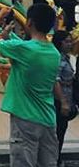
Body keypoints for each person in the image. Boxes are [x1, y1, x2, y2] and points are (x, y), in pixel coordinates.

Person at [0, 3, 66, 167]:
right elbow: (23, 49)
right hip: (48, 119)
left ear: (29, 23)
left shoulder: (24, 50)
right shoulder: (53, 53)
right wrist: (7, 35)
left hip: (25, 120)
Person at [52, 30, 76, 164]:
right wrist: (63, 102)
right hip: (59, 100)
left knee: (61, 130)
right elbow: (56, 79)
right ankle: (54, 159)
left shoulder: (66, 57)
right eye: (67, 41)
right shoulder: (58, 58)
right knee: (58, 131)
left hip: (67, 97)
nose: (70, 44)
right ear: (59, 42)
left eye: (70, 41)